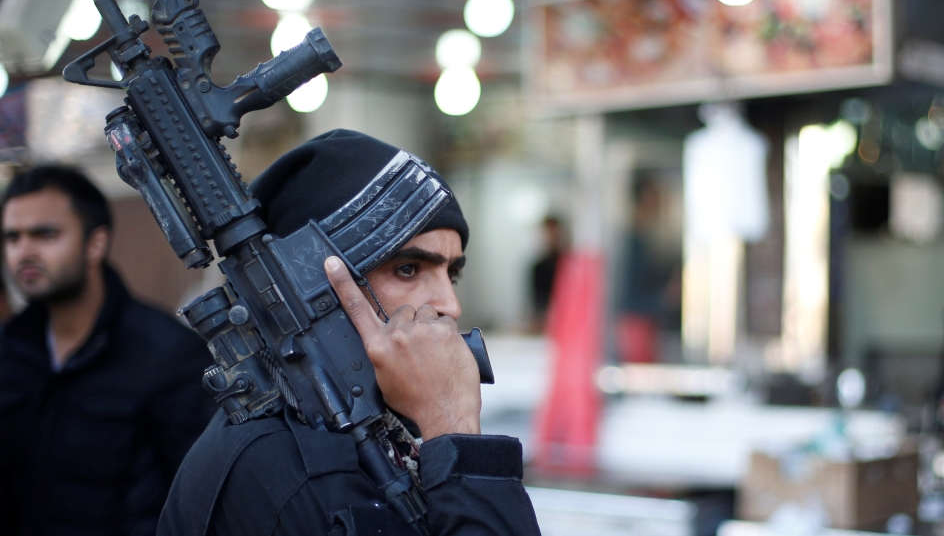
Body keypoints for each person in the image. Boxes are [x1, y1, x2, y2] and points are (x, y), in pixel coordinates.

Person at [158, 130, 541, 535]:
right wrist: (453, 426)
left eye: (453, 274)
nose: (450, 304)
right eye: (407, 269)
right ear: (318, 291)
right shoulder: (284, 469)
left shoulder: (376, 430)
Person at [0, 166, 215, 535]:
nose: (24, 252)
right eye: (12, 237)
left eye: (45, 234)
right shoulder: (10, 350)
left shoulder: (168, 355)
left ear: (95, 243)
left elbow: (201, 501)